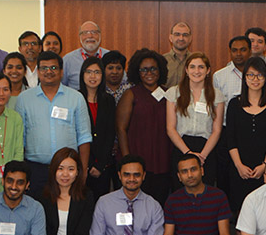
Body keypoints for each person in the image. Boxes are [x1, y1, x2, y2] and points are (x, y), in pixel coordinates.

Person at [14, 51, 93, 197]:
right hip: (35, 170)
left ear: (61, 72)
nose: (48, 72)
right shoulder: (24, 99)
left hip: (68, 171)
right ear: (38, 72)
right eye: (44, 68)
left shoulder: (76, 98)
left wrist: (82, 170)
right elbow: (19, 139)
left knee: (66, 215)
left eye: (54, 68)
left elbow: (84, 136)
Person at [225, 57, 266, 215]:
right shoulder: (234, 104)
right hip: (239, 169)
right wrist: (239, 166)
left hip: (264, 169)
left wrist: (264, 165)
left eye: (260, 75)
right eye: (250, 75)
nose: (255, 79)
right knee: (240, 214)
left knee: (264, 214)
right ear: (244, 78)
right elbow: (230, 138)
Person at [117, 49, 172, 205]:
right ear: (137, 72)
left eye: (153, 68)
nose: (149, 73)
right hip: (137, 157)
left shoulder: (169, 94)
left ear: (160, 70)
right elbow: (121, 128)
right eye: (144, 69)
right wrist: (127, 159)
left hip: (163, 159)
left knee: (159, 202)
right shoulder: (131, 94)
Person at [166, 52, 224, 188]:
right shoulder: (173, 93)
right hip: (181, 148)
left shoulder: (217, 95)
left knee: (205, 192)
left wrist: (202, 156)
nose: (196, 71)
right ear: (186, 70)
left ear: (208, 70)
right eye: (192, 67)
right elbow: (170, 128)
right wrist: (188, 153)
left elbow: (217, 130)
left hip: (206, 150)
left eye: (201, 67)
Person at [79, 56, 117, 196]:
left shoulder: (108, 100)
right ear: (82, 75)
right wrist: (87, 164)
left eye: (97, 72)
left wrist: (100, 164)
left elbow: (110, 134)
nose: (92, 76)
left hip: (103, 166)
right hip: (81, 165)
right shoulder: (76, 99)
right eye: (88, 72)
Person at [63, 20, 109, 90]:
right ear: (79, 37)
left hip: (105, 100)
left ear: (100, 35)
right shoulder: (68, 60)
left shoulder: (109, 56)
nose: (90, 36)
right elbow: (61, 87)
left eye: (94, 32)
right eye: (85, 33)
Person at [213, 35, 251, 111]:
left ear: (250, 51)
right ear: (230, 52)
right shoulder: (219, 76)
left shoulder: (260, 75)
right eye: (234, 50)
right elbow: (215, 105)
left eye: (243, 50)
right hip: (226, 122)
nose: (238, 54)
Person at [163, 21, 193, 88]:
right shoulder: (161, 61)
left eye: (185, 35)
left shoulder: (196, 61)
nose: (181, 38)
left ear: (190, 38)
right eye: (177, 34)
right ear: (170, 38)